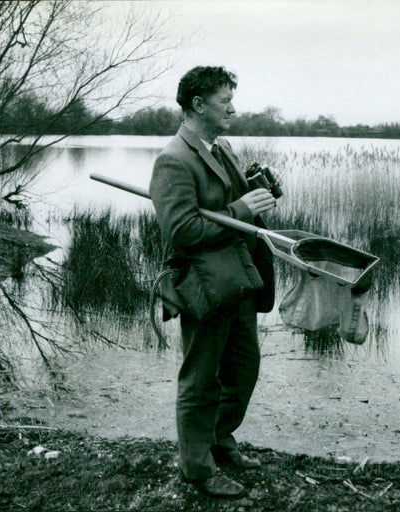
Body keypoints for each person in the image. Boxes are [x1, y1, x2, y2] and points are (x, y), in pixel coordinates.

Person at [149, 66, 276, 499]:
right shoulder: (173, 160)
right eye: (225, 100)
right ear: (198, 104)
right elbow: (182, 231)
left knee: (243, 369)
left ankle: (220, 439)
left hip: (239, 279)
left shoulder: (221, 149)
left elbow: (231, 205)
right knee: (201, 380)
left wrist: (260, 193)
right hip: (203, 287)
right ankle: (197, 469)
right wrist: (240, 209)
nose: (233, 108)